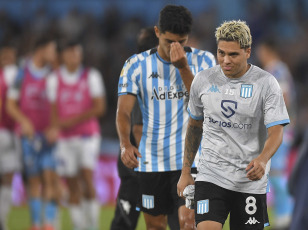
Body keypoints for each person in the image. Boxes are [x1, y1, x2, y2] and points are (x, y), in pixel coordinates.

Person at [177, 20, 290, 230]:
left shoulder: (266, 83)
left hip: (249, 179)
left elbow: (276, 131)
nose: (225, 60)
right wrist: (185, 172)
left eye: (233, 55)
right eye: (221, 53)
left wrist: (263, 160)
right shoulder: (203, 80)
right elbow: (194, 126)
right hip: (211, 175)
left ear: (248, 52)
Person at [116, 5, 216, 230]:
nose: (175, 48)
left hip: (192, 160)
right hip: (152, 162)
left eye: (181, 41)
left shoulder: (205, 61)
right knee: (155, 226)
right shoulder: (135, 65)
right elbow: (123, 111)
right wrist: (125, 144)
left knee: (188, 223)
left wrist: (183, 68)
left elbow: (207, 104)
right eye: (169, 41)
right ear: (157, 32)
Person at [46, 40, 107, 230]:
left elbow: (100, 107)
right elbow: (53, 112)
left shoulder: (91, 76)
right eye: (71, 53)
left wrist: (70, 121)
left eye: (78, 53)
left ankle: (93, 226)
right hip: (65, 139)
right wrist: (55, 128)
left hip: (88, 136)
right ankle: (79, 226)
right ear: (63, 56)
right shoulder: (54, 79)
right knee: (72, 184)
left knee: (87, 179)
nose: (75, 57)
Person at [6, 36, 59, 230]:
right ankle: (35, 224)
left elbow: (58, 106)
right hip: (29, 137)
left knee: (50, 176)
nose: (54, 54)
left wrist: (55, 127)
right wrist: (24, 121)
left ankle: (49, 223)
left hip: (48, 137)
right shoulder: (22, 74)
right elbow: (10, 105)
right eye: (52, 50)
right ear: (41, 50)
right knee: (34, 180)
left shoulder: (53, 74)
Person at [111, 27, 158, 230]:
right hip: (142, 158)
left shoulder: (132, 70)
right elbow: (138, 127)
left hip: (134, 158)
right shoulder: (145, 75)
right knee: (141, 218)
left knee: (128, 215)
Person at [256, 38, 296, 229]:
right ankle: (283, 213)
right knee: (272, 173)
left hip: (280, 129)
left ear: (268, 50)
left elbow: (284, 98)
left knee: (278, 173)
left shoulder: (277, 69)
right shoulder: (274, 70)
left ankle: (287, 213)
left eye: (261, 51)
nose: (259, 55)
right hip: (275, 129)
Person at [0, 41, 20, 230]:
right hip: (6, 131)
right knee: (6, 179)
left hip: (8, 132)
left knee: (6, 179)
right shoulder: (13, 74)